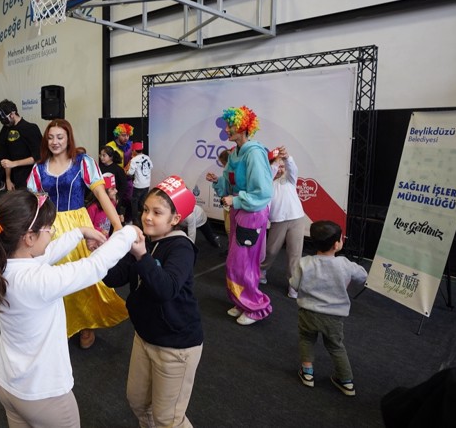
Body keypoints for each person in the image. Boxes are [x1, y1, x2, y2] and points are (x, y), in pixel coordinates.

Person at [0, 190, 142, 428]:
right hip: (44, 397)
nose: (53, 232)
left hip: (8, 386)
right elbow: (94, 266)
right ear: (29, 238)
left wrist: (79, 232)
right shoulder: (36, 281)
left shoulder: (0, 265)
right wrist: (128, 232)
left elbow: (44, 255)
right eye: (49, 229)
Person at [103, 176, 203, 428]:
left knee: (168, 419)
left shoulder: (181, 248)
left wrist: (142, 256)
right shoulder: (144, 240)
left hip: (176, 346)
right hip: (145, 337)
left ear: (175, 218)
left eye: (157, 212)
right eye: (146, 210)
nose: (147, 217)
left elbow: (165, 289)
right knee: (138, 402)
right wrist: (101, 253)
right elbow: (114, 278)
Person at [27, 119, 128, 349]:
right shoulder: (38, 169)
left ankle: (86, 324)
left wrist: (119, 229)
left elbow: (102, 195)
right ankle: (58, 326)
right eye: (50, 137)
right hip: (49, 229)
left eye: (60, 137)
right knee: (51, 281)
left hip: (79, 227)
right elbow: (33, 204)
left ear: (68, 138)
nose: (55, 142)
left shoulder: (83, 162)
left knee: (83, 278)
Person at [210, 106, 273, 326]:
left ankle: (255, 307)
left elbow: (263, 192)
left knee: (242, 263)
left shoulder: (254, 153)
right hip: (239, 212)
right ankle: (241, 300)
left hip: (251, 213)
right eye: (227, 125)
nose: (227, 129)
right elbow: (229, 183)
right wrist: (218, 183)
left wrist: (236, 200)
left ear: (245, 127)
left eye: (231, 126)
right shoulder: (235, 153)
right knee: (236, 262)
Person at [290, 220, 367, 397]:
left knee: (306, 339)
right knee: (336, 346)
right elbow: (363, 276)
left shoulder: (304, 263)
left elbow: (294, 285)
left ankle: (307, 373)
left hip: (308, 313)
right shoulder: (344, 264)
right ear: (336, 244)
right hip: (333, 316)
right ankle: (346, 381)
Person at [260, 146, 306, 298]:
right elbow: (269, 175)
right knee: (271, 251)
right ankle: (262, 270)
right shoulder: (266, 184)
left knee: (295, 254)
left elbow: (292, 169)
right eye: (277, 166)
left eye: (282, 167)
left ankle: (293, 286)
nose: (280, 169)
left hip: (297, 219)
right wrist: (274, 164)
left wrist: (286, 158)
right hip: (277, 221)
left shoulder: (289, 180)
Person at [0, 99, 42, 191]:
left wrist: (14, 163)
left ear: (13, 113)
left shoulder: (31, 129)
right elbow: (5, 158)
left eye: (5, 119)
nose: (4, 123)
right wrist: (8, 179)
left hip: (30, 179)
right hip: (13, 180)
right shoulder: (4, 131)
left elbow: (38, 157)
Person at [106, 123, 135, 222]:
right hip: (115, 177)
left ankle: (128, 219)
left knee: (129, 199)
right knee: (115, 199)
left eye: (128, 135)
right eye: (123, 135)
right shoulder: (110, 146)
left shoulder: (131, 146)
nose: (126, 138)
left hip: (127, 177)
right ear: (117, 135)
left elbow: (134, 159)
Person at [98, 146, 129, 225]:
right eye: (100, 155)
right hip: (102, 197)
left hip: (114, 198)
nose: (101, 157)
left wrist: (118, 197)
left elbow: (123, 185)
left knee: (114, 218)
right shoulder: (98, 168)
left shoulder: (118, 169)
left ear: (111, 157)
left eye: (104, 155)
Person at [86, 173, 120, 238]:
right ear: (104, 192)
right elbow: (87, 226)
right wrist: (99, 230)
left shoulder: (113, 203)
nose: (116, 191)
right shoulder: (92, 208)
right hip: (94, 239)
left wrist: (117, 217)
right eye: (112, 189)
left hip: (105, 239)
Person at [127, 141, 152, 220]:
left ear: (134, 151)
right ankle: (143, 217)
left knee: (134, 202)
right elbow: (151, 166)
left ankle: (135, 219)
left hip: (138, 185)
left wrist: (126, 171)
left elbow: (130, 173)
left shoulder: (134, 160)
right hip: (147, 184)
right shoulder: (147, 157)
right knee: (143, 202)